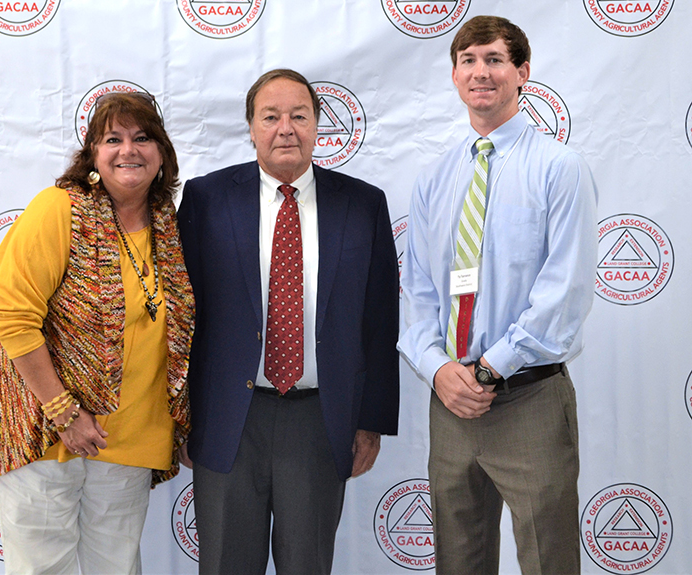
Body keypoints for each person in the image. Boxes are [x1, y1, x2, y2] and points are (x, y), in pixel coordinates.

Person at [177, 68, 399, 575]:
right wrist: (181, 413)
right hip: (229, 415)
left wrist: (371, 420)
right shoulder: (206, 198)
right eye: (271, 116)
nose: (286, 128)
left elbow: (380, 320)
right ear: (251, 128)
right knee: (225, 564)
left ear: (318, 126)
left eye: (299, 116)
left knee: (307, 565)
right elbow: (184, 314)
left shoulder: (363, 203)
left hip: (319, 419)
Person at [398, 16, 598, 575]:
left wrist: (488, 371)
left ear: (522, 73)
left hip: (528, 399)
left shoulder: (559, 169)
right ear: (455, 76)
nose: (480, 72)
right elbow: (416, 293)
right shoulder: (435, 179)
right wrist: (440, 370)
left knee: (546, 561)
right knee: (458, 562)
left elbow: (564, 293)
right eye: (468, 60)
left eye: (493, 59)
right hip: (451, 404)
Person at [0, 92, 195, 575]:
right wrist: (63, 411)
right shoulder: (59, 209)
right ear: (92, 154)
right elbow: (12, 316)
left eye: (143, 138)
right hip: (47, 431)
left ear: (162, 154)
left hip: (132, 437)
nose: (128, 150)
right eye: (112, 139)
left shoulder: (168, 226)